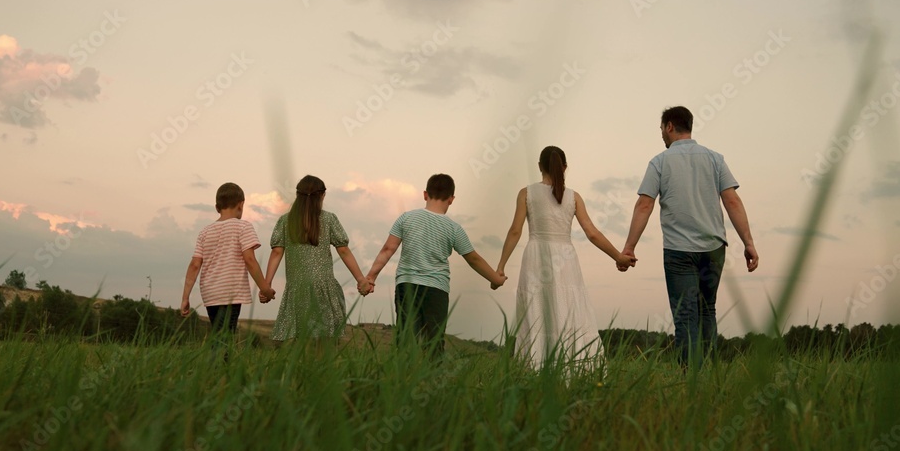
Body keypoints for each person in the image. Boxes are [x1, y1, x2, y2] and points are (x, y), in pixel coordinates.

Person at [620, 106, 759, 370]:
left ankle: (690, 380)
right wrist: (748, 242)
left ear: (670, 126)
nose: (661, 134)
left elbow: (644, 205)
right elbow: (732, 201)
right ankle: (709, 376)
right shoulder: (715, 159)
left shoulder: (660, 161)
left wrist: (629, 247)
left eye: (662, 128)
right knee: (707, 310)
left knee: (686, 316)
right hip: (714, 249)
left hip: (678, 251)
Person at [495, 146, 635, 368]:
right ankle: (572, 366)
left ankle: (536, 367)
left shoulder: (526, 193)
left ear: (539, 167)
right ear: (565, 167)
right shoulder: (574, 197)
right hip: (565, 259)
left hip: (536, 256)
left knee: (536, 310)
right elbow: (592, 233)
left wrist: (500, 266)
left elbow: (515, 231)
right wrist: (618, 256)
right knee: (569, 309)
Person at [366, 173, 506, 358]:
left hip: (406, 285)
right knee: (434, 341)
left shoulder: (406, 218)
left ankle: (402, 378)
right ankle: (433, 381)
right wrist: (495, 278)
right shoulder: (454, 228)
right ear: (451, 199)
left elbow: (387, 249)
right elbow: (473, 259)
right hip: (436, 289)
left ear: (425, 194)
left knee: (406, 337)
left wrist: (371, 277)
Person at [264, 175, 372, 342]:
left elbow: (277, 253)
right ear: (322, 196)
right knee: (325, 339)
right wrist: (361, 279)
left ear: (297, 196)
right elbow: (343, 251)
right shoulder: (329, 219)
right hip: (324, 287)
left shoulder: (286, 221)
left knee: (299, 339)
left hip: (297, 288)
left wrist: (267, 285)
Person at [181, 182, 275, 360]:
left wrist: (185, 297)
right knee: (225, 337)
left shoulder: (204, 232)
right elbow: (250, 260)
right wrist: (265, 289)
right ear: (241, 204)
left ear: (217, 207)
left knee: (219, 334)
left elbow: (194, 265)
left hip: (210, 293)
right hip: (230, 292)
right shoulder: (243, 227)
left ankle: (217, 372)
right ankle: (218, 372)